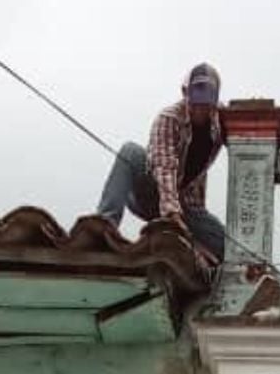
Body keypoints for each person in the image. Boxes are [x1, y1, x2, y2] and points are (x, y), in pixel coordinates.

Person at [97, 62, 227, 263]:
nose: (199, 110)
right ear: (186, 94)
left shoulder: (220, 119)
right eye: (195, 104)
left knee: (227, 245)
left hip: (186, 205)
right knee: (130, 151)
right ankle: (103, 226)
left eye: (205, 105)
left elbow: (244, 136)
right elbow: (164, 167)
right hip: (151, 192)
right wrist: (172, 214)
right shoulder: (169, 118)